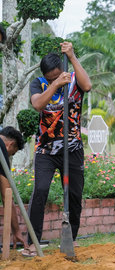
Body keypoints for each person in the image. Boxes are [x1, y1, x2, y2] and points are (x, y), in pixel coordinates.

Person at [23, 42, 92, 257]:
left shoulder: (74, 79)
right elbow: (37, 105)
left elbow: (88, 86)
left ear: (63, 70)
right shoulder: (38, 83)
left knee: (74, 194)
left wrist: (71, 56)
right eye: (49, 77)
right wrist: (54, 85)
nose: (53, 79)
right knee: (41, 190)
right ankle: (33, 241)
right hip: (46, 149)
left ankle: (70, 237)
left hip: (72, 148)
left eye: (57, 76)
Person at [0, 127, 27, 249]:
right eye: (12, 153)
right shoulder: (1, 148)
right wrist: (16, 231)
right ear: (10, 145)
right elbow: (7, 195)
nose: (9, 157)